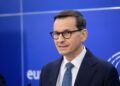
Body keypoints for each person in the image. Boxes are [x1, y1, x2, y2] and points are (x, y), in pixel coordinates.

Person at [40, 10, 120, 86]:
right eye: (57, 33)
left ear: (83, 35)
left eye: (67, 33)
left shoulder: (105, 71)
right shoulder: (46, 71)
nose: (60, 40)